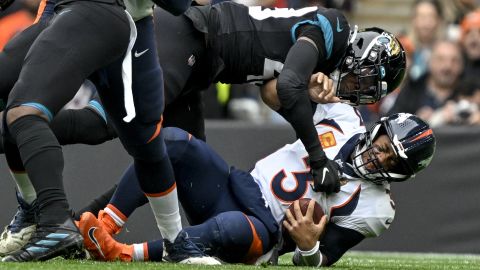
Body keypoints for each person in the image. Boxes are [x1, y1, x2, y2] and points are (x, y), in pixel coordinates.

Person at [76, 102, 436, 266]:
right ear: (378, 131)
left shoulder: (376, 209)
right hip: (239, 186)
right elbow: (278, 93)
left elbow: (325, 257)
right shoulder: (343, 116)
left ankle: (120, 253)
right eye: (384, 148)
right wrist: (311, 83)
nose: (380, 158)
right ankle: (104, 225)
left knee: (230, 227)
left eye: (392, 162)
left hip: (263, 235)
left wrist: (308, 247)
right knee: (170, 141)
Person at [0, 0, 217, 263]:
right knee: (20, 112)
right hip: (88, 18)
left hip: (104, 20)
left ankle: (50, 218)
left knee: (25, 111)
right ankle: (36, 213)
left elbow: (180, 4)